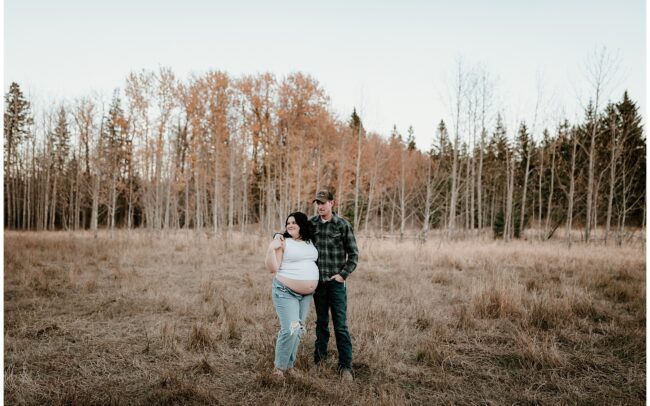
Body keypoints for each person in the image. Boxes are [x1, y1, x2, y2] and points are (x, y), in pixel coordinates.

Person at [310, 190, 359, 382]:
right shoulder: (311, 224)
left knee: (340, 325)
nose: (320, 206)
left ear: (332, 203)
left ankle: (345, 366)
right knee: (321, 323)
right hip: (317, 284)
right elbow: (294, 235)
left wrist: (342, 275)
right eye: (318, 203)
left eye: (323, 203)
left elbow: (354, 255)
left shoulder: (342, 225)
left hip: (336, 284)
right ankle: (319, 360)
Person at [265, 212, 319, 379]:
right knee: (289, 329)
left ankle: (289, 366)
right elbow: (272, 268)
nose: (290, 225)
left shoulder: (310, 242)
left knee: (299, 330)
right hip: (285, 291)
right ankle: (279, 369)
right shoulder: (283, 242)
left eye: (294, 222)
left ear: (302, 224)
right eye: (288, 223)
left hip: (306, 295)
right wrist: (270, 249)